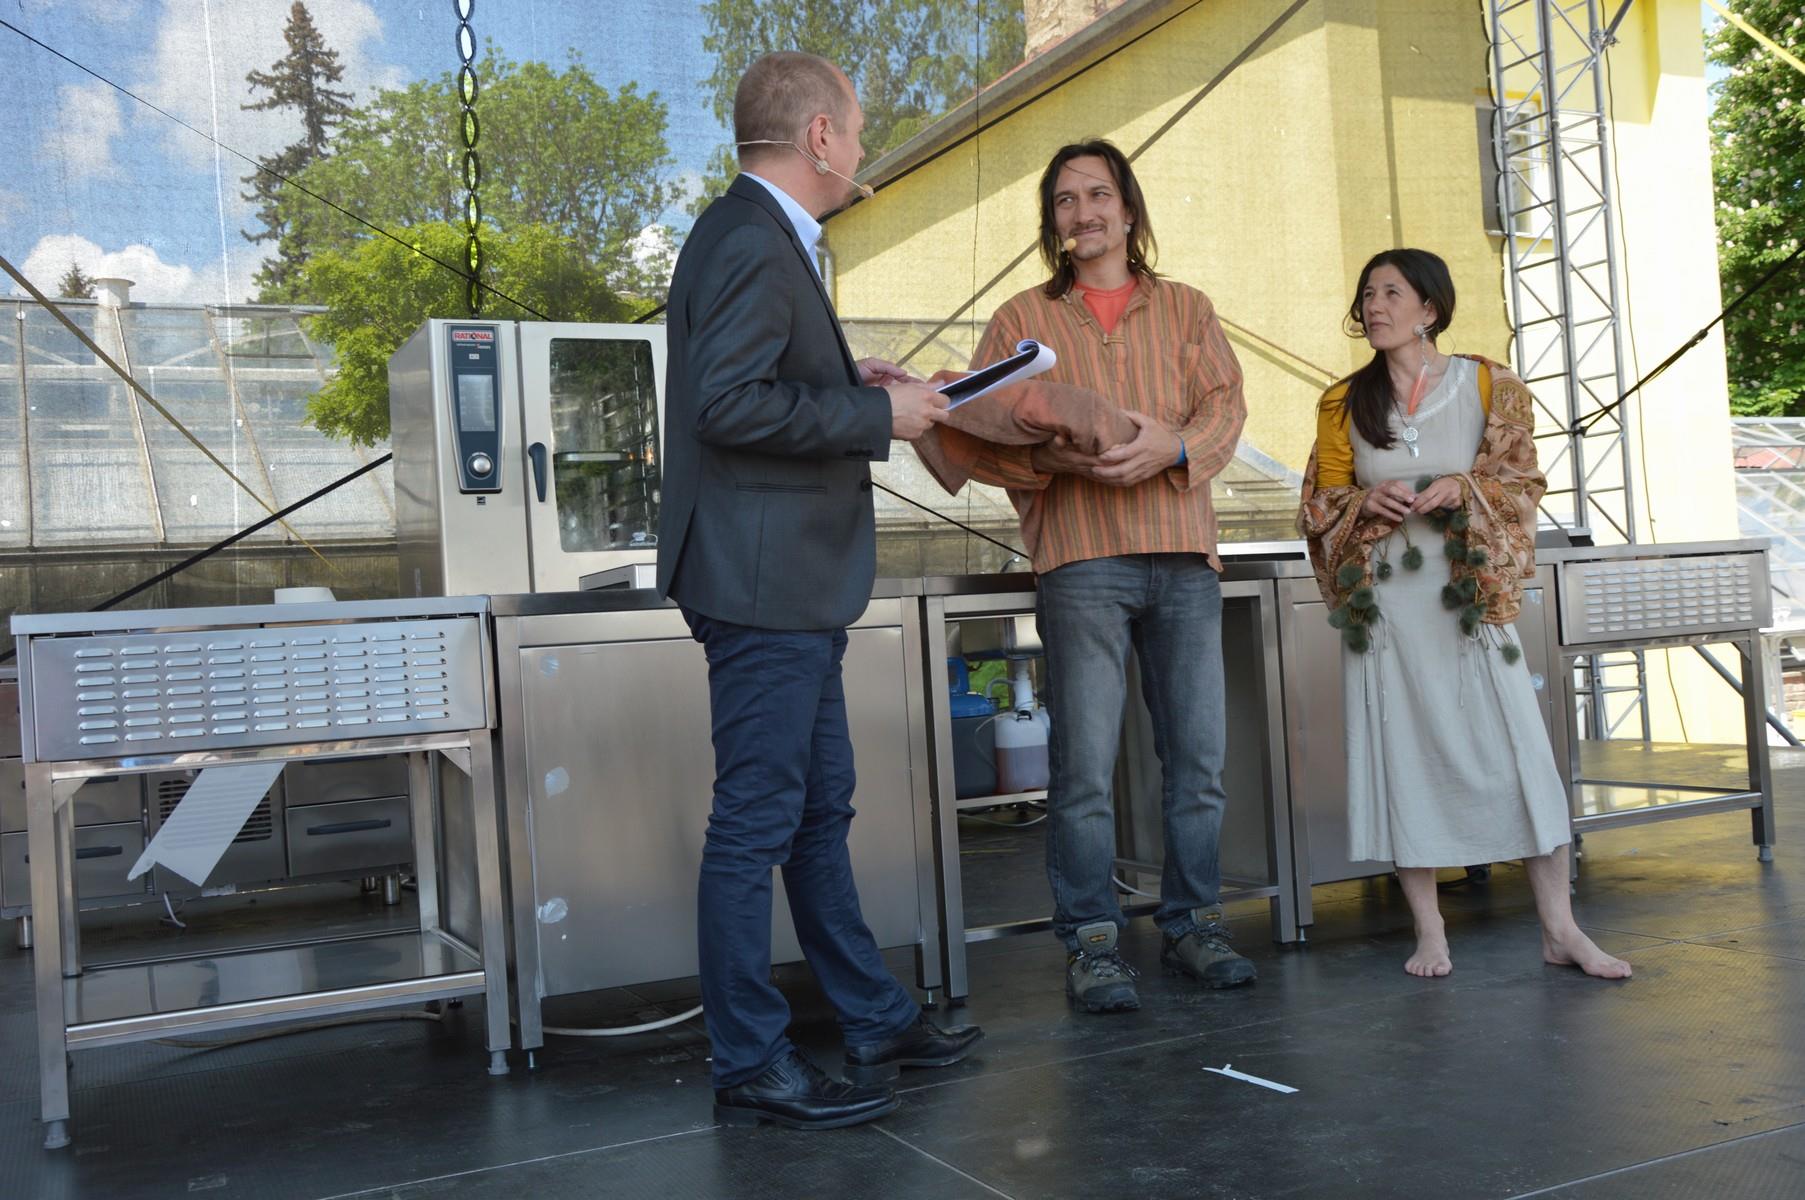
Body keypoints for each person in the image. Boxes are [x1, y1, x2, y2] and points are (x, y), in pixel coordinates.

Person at [655, 50, 982, 1130]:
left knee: (813, 810)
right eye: (859, 126)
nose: (864, 146)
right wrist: (877, 415)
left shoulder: (755, 234)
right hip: (761, 581)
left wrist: (854, 384)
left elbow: (760, 387)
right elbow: (725, 406)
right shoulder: (752, 237)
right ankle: (749, 1058)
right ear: (820, 137)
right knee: (758, 820)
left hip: (784, 581)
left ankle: (872, 1015)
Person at [943, 139, 1256, 1013]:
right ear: (1053, 223)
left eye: (1097, 195)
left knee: (1196, 761)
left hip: (1182, 555)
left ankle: (1194, 924)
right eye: (1064, 201)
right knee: (1082, 769)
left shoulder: (1187, 307)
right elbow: (972, 427)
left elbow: (1225, 405)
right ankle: (1091, 943)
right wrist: (1054, 461)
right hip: (1080, 559)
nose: (1082, 213)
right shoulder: (1020, 319)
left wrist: (1175, 446)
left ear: (1127, 209)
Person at [1295, 248, 1632, 981]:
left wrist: (1464, 488)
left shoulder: (1488, 383)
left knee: (1521, 755)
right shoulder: (1341, 401)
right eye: (1367, 294)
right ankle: (1429, 932)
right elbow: (1319, 507)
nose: (1374, 306)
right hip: (1386, 606)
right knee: (1403, 757)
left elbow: (1522, 481)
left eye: (1392, 292)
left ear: (1430, 308)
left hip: (1469, 597)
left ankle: (1561, 930)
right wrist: (1364, 501)